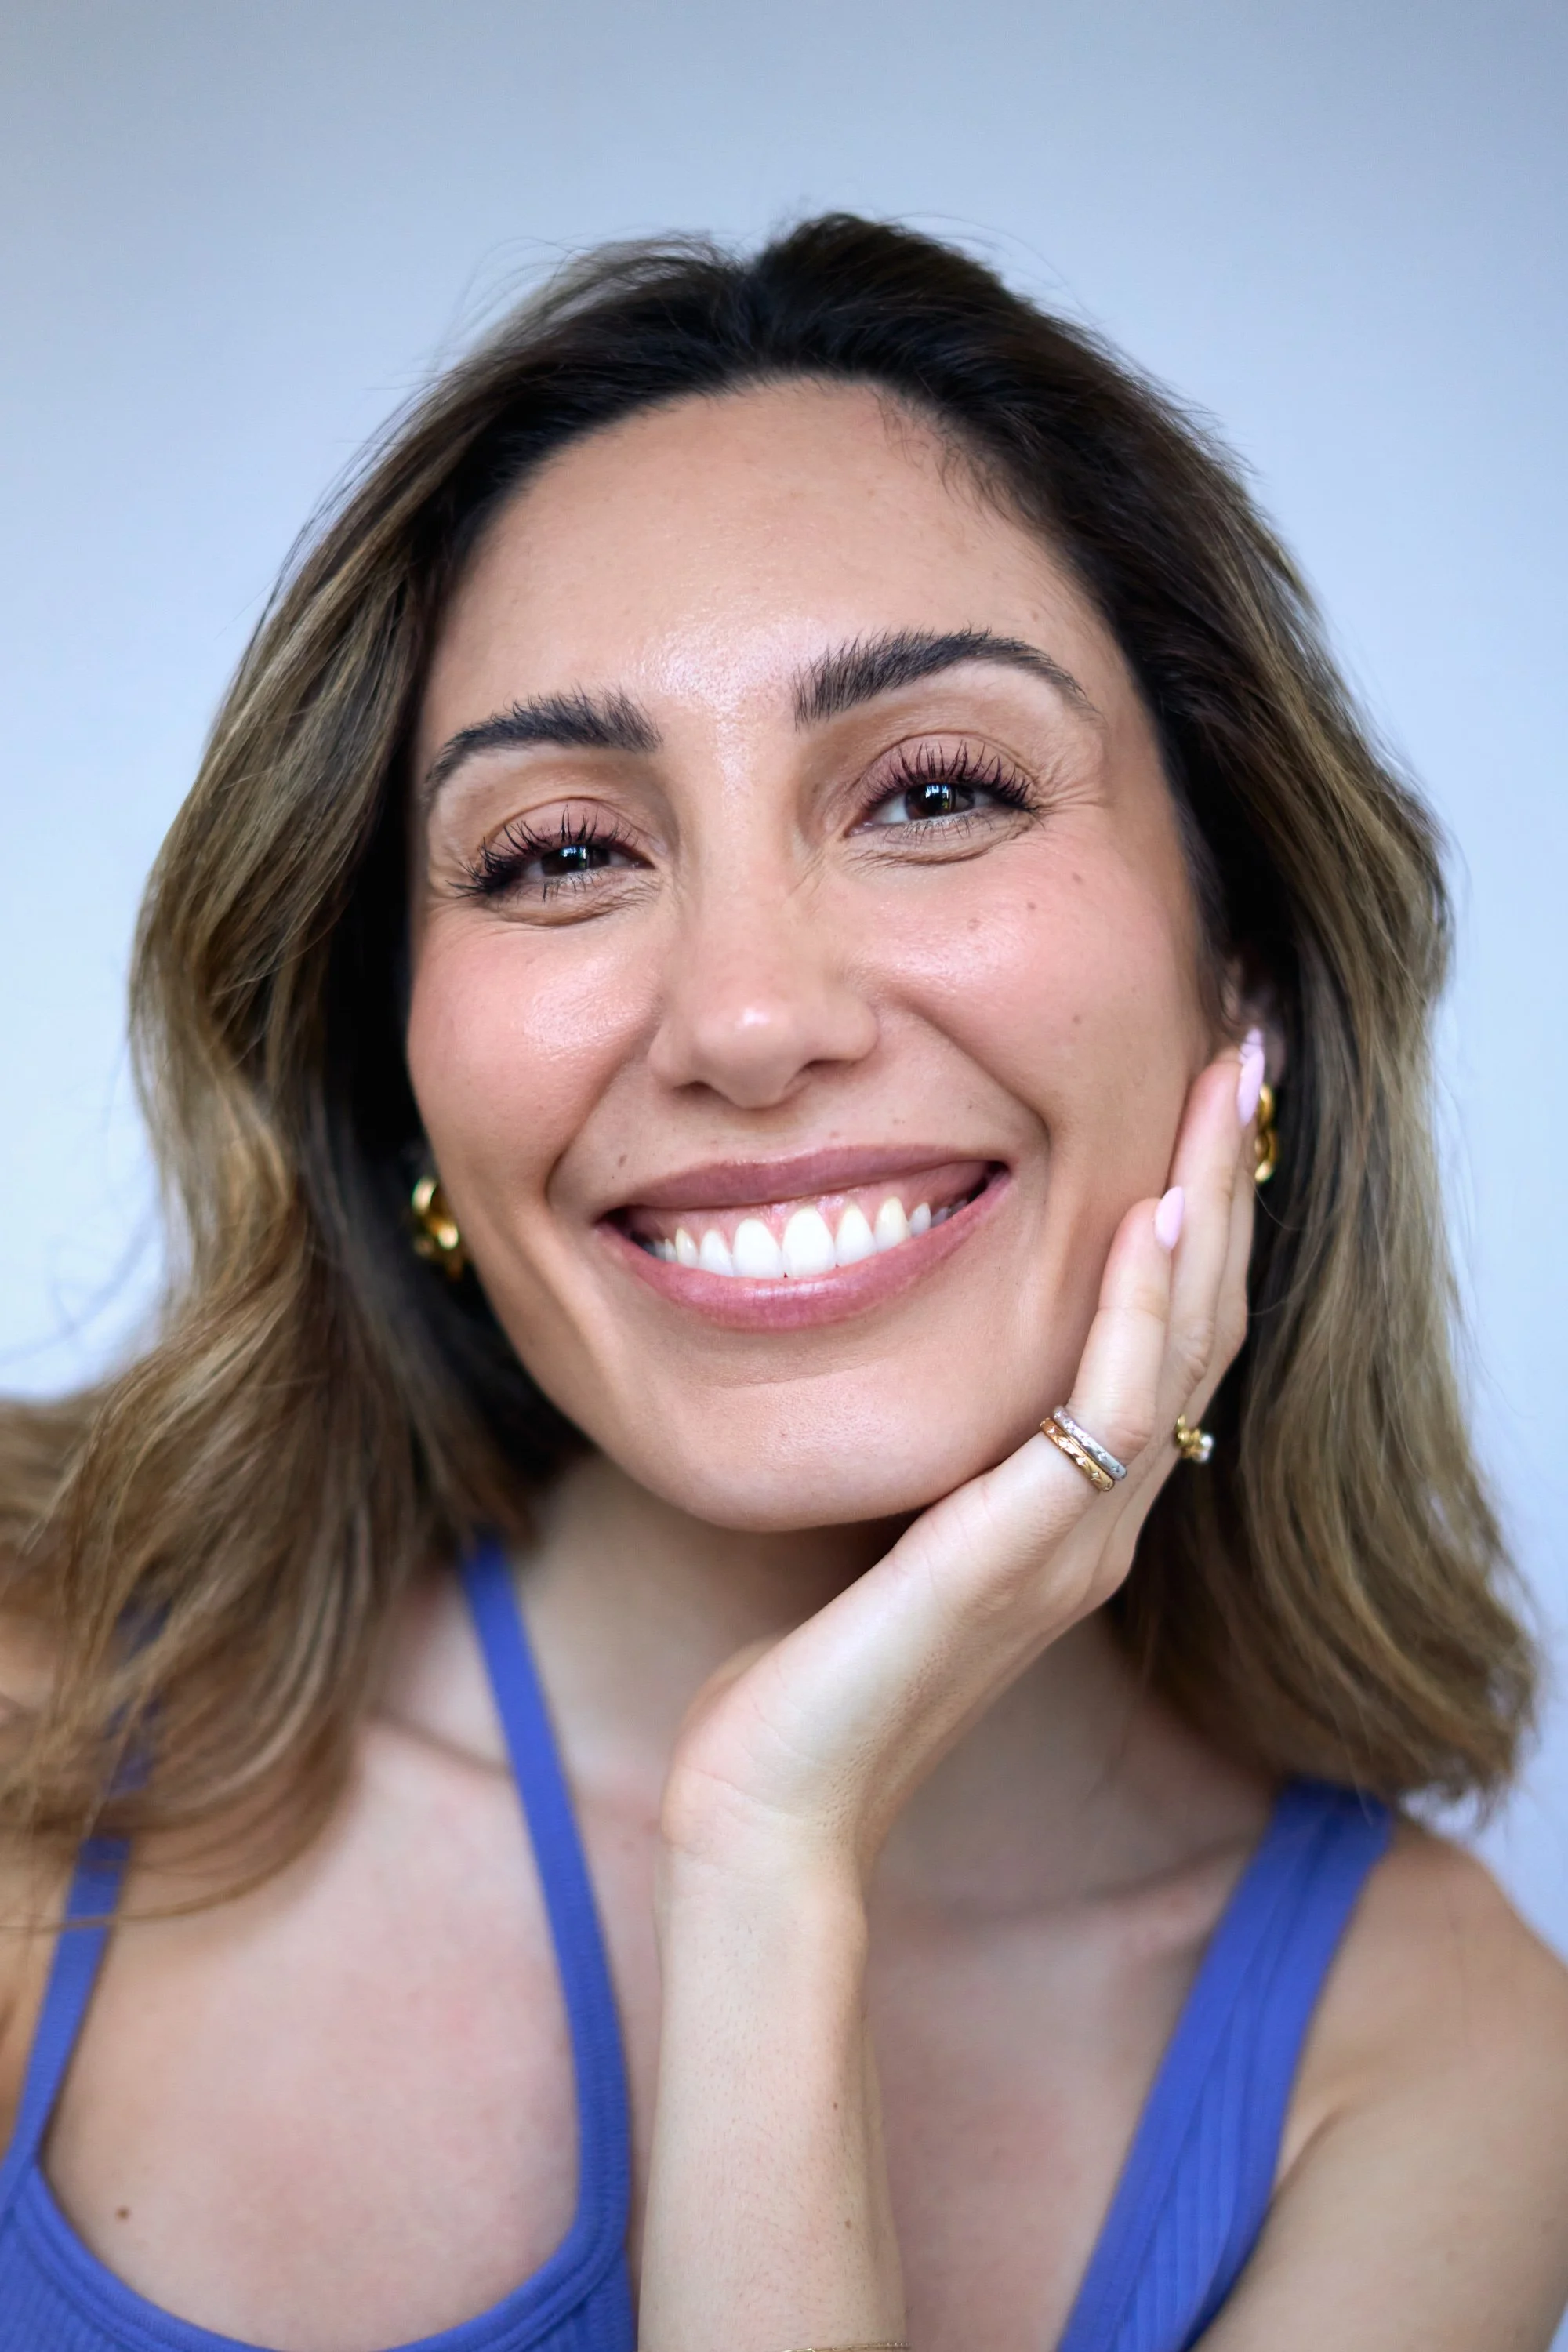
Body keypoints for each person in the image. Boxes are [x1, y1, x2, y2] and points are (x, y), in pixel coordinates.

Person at [1, 214, 1564, 2352]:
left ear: (1245, 975)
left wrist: (770, 1860)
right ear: (397, 1073)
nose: (746, 1017)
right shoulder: (35, 1721)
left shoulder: (1436, 2064)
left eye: (932, 793)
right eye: (564, 851)